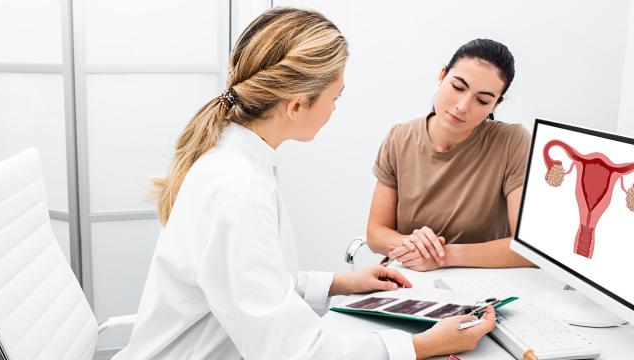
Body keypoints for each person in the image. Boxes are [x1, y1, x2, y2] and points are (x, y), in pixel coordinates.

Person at [114, 8, 495, 360]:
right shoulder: (238, 189)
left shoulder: (236, 158)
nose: (334, 108)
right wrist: (426, 344)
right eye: (335, 96)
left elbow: (250, 285)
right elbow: (293, 352)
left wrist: (340, 284)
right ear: (296, 105)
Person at [367, 39, 534, 272]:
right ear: (442, 75)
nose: (463, 106)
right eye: (458, 87)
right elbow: (376, 233)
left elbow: (526, 248)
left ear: (496, 104)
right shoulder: (400, 138)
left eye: (483, 100)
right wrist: (415, 245)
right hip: (409, 278)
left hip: (480, 286)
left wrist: (443, 255)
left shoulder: (512, 142)